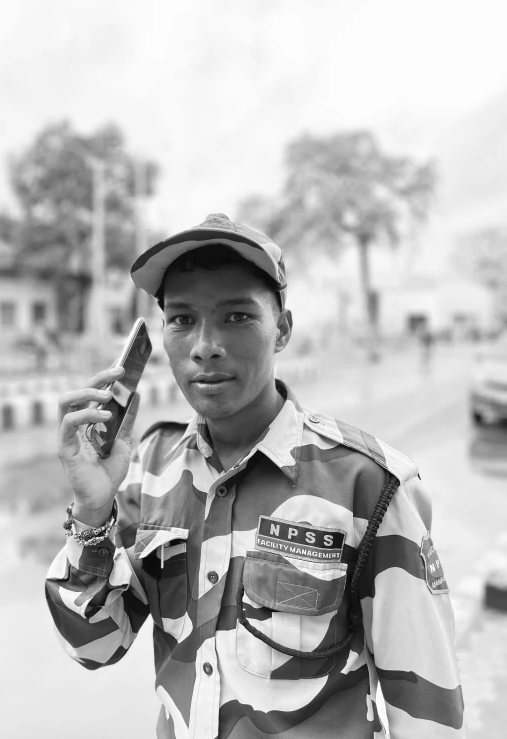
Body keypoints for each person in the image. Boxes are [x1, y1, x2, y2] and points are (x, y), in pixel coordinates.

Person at [47, 213, 465, 738]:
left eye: (238, 317)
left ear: (282, 330)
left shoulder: (367, 486)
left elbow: (426, 706)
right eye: (181, 320)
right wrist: (91, 512)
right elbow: (95, 645)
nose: (204, 345)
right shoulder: (148, 470)